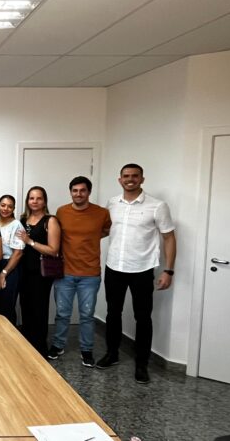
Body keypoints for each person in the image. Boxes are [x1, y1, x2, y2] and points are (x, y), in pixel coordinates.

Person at [97, 164, 176, 384]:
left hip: (142, 269)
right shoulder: (112, 203)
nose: (130, 179)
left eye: (134, 176)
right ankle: (112, 354)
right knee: (113, 313)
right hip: (114, 267)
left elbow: (169, 237)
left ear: (142, 179)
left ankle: (142, 364)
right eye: (126, 176)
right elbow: (105, 230)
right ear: (119, 179)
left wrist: (168, 270)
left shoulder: (157, 206)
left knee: (142, 317)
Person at [48, 177, 111, 368]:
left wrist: (89, 239)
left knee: (87, 315)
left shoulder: (102, 213)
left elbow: (106, 230)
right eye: (75, 190)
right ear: (70, 192)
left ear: (89, 192)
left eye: (82, 190)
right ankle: (58, 345)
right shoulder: (62, 212)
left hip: (90, 274)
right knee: (62, 313)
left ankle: (87, 350)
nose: (78, 194)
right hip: (65, 272)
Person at [17, 186, 61, 357]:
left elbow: (53, 250)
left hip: (40, 273)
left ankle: (39, 349)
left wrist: (30, 242)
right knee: (25, 308)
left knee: (39, 310)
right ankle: (27, 347)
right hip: (23, 271)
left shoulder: (50, 221)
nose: (34, 201)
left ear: (44, 201)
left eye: (39, 198)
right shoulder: (23, 220)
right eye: (31, 198)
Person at [0, 195, 25, 325]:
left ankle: (10, 335)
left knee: (6, 306)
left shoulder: (16, 225)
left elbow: (18, 253)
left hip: (9, 265)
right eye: (3, 205)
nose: (5, 209)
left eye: (10, 206)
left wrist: (4, 273)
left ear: (13, 209)